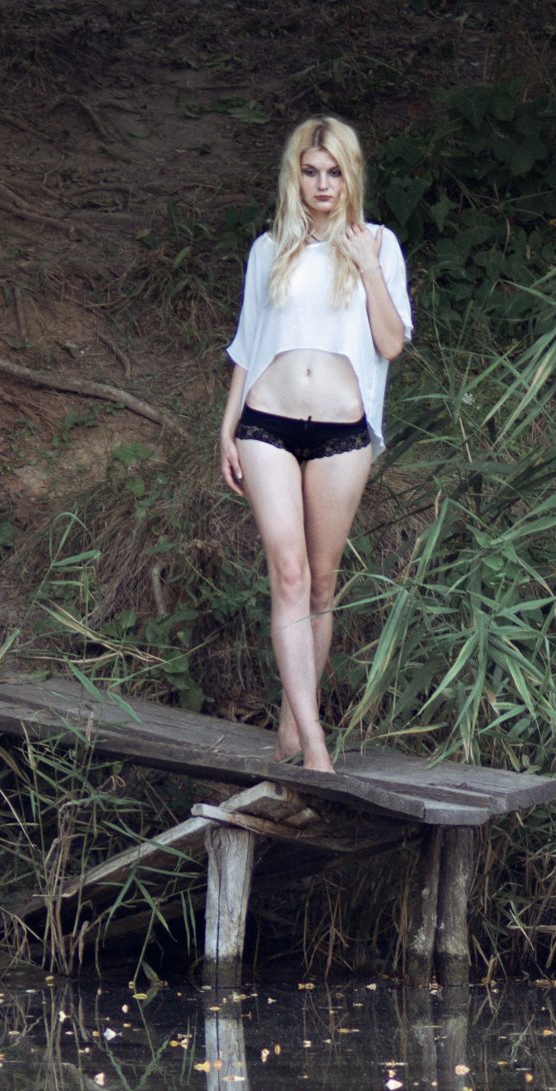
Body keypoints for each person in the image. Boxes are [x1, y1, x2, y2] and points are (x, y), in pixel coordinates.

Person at [219, 117, 413, 773]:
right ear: (294, 175)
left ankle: (288, 732)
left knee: (322, 584)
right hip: (266, 421)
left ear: (350, 174)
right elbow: (247, 346)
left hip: (341, 432)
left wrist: (369, 268)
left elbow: (391, 343)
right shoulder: (269, 248)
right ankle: (317, 748)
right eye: (310, 171)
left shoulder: (378, 244)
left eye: (334, 172)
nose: (322, 184)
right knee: (289, 574)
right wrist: (227, 428)